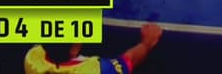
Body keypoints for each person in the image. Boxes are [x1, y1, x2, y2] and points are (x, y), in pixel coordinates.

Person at [25, 22, 161, 74]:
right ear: (74, 50)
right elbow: (129, 61)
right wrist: (147, 42)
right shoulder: (96, 70)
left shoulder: (32, 59)